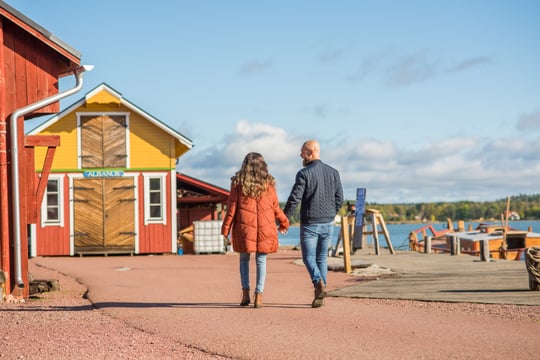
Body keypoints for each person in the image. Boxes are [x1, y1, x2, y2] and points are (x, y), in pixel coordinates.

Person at [221, 152, 289, 308]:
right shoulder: (269, 184)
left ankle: (245, 293)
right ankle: (259, 295)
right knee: (261, 260)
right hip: (266, 227)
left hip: (245, 227)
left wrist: (225, 230)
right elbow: (275, 208)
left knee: (244, 259)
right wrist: (284, 223)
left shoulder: (238, 184)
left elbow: (232, 208)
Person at [284, 140, 343, 308]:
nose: (300, 155)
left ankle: (318, 284)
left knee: (308, 258)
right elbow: (340, 198)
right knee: (322, 258)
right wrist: (331, 213)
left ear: (311, 153)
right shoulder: (334, 172)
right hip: (328, 222)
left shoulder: (304, 174)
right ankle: (320, 293)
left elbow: (294, 199)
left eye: (302, 152)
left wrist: (285, 218)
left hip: (310, 223)